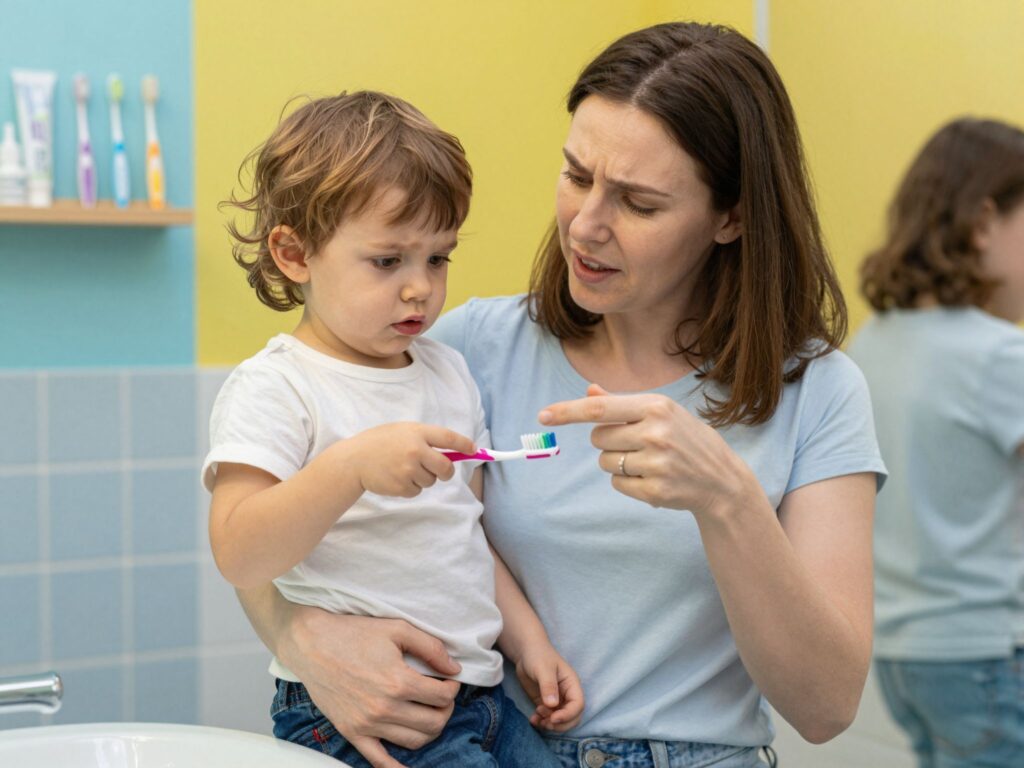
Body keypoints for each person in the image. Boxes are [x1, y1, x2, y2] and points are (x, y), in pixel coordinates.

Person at [236, 23, 887, 768]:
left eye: (638, 203)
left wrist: (728, 499)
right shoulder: (467, 348)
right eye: (577, 175)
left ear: (731, 217)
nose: (586, 223)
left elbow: (827, 707)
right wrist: (302, 639)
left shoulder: (818, 391)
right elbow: (262, 530)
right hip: (491, 744)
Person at [205, 90, 582, 768]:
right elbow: (239, 552)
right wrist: (347, 468)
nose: (420, 288)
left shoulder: (447, 373)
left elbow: (462, 534)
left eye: (438, 258)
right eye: (388, 261)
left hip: (484, 698)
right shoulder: (278, 387)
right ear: (294, 254)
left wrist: (530, 644)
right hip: (360, 713)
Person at [848, 118, 1024, 767]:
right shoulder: (1000, 355)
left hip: (902, 656)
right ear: (983, 223)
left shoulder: (874, 341)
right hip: (983, 654)